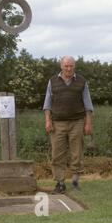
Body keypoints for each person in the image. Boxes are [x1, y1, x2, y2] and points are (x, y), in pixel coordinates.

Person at [43, 55, 93, 193]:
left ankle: (76, 181)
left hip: (77, 121)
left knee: (76, 152)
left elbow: (88, 104)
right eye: (66, 66)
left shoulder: (82, 81)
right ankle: (60, 183)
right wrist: (47, 120)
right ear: (61, 66)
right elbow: (47, 103)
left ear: (74, 66)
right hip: (57, 122)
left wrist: (88, 123)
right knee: (57, 154)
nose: (69, 68)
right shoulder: (52, 81)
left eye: (71, 66)